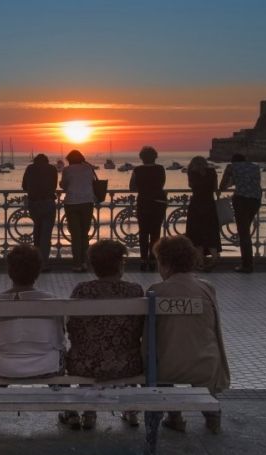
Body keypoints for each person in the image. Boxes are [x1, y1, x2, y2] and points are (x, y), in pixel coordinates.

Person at [146, 235, 230, 434]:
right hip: (206, 365)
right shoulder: (207, 289)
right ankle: (212, 416)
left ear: (165, 264)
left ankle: (174, 415)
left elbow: (148, 334)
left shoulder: (156, 291)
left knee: (162, 357)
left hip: (166, 367)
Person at [0, 245, 65, 430]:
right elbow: (60, 339)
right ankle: (67, 406)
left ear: (9, 272)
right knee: (61, 353)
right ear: (38, 272)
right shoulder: (52, 301)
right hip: (46, 366)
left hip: (3, 368)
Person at [63, 240, 144, 430]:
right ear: (120, 264)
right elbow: (140, 328)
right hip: (127, 364)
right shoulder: (134, 291)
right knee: (126, 347)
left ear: (93, 265)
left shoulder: (82, 290)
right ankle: (131, 410)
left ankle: (89, 412)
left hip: (85, 365)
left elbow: (72, 327)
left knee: (87, 349)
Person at [218, 153, 262, 273]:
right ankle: (248, 262)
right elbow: (251, 183)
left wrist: (230, 182)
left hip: (242, 201)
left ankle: (247, 265)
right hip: (256, 200)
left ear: (233, 161)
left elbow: (222, 186)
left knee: (244, 233)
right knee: (246, 230)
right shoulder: (255, 167)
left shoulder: (232, 167)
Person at [129, 146, 167, 271]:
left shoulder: (137, 170)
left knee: (143, 232)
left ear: (142, 158)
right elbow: (162, 184)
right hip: (158, 202)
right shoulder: (160, 169)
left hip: (144, 202)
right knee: (155, 232)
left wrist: (143, 188)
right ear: (155, 157)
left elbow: (132, 187)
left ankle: (143, 260)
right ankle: (153, 259)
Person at [60, 150, 96, 272]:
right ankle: (85, 262)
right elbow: (92, 182)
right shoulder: (88, 168)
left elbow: (64, 185)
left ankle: (77, 264)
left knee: (75, 235)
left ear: (69, 159)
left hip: (72, 203)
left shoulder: (67, 170)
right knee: (84, 234)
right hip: (87, 202)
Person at [22, 154, 58, 269]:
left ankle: (36, 261)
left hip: (34, 204)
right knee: (46, 234)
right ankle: (44, 264)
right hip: (48, 203)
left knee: (37, 231)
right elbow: (54, 186)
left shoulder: (30, 168)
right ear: (47, 161)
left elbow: (24, 186)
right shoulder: (52, 169)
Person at [185, 156, 221, 270]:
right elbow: (215, 187)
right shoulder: (212, 171)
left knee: (196, 233)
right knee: (211, 231)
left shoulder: (192, 172)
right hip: (209, 205)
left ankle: (200, 261)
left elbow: (191, 185)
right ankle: (215, 257)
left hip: (196, 205)